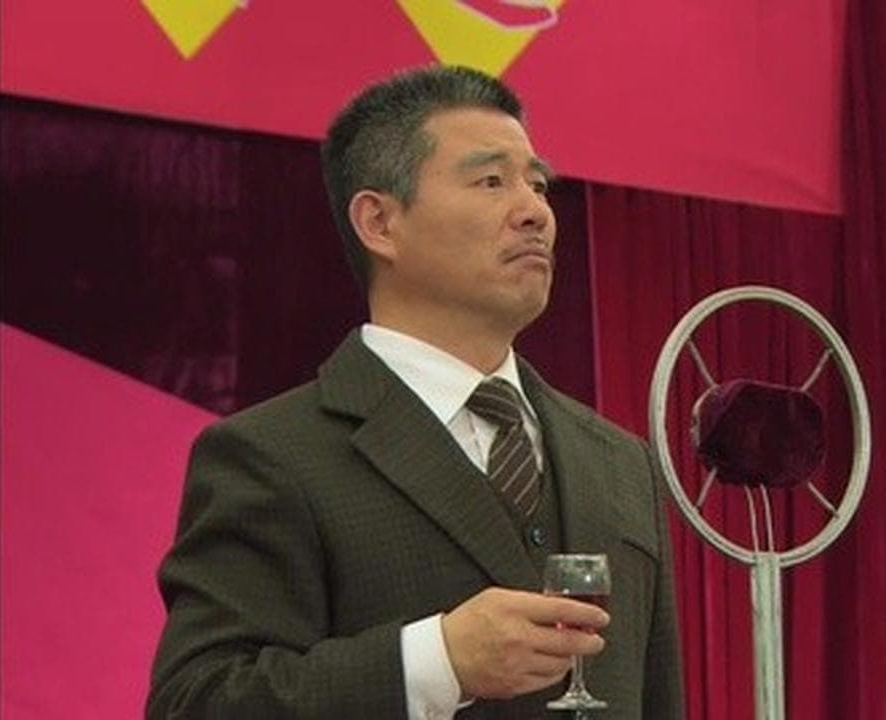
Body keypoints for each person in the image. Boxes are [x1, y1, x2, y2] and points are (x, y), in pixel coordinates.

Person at [147, 65, 684, 719]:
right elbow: (196, 702)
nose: (535, 212)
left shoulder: (620, 462)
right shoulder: (271, 456)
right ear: (379, 222)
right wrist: (437, 662)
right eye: (491, 182)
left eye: (538, 184)